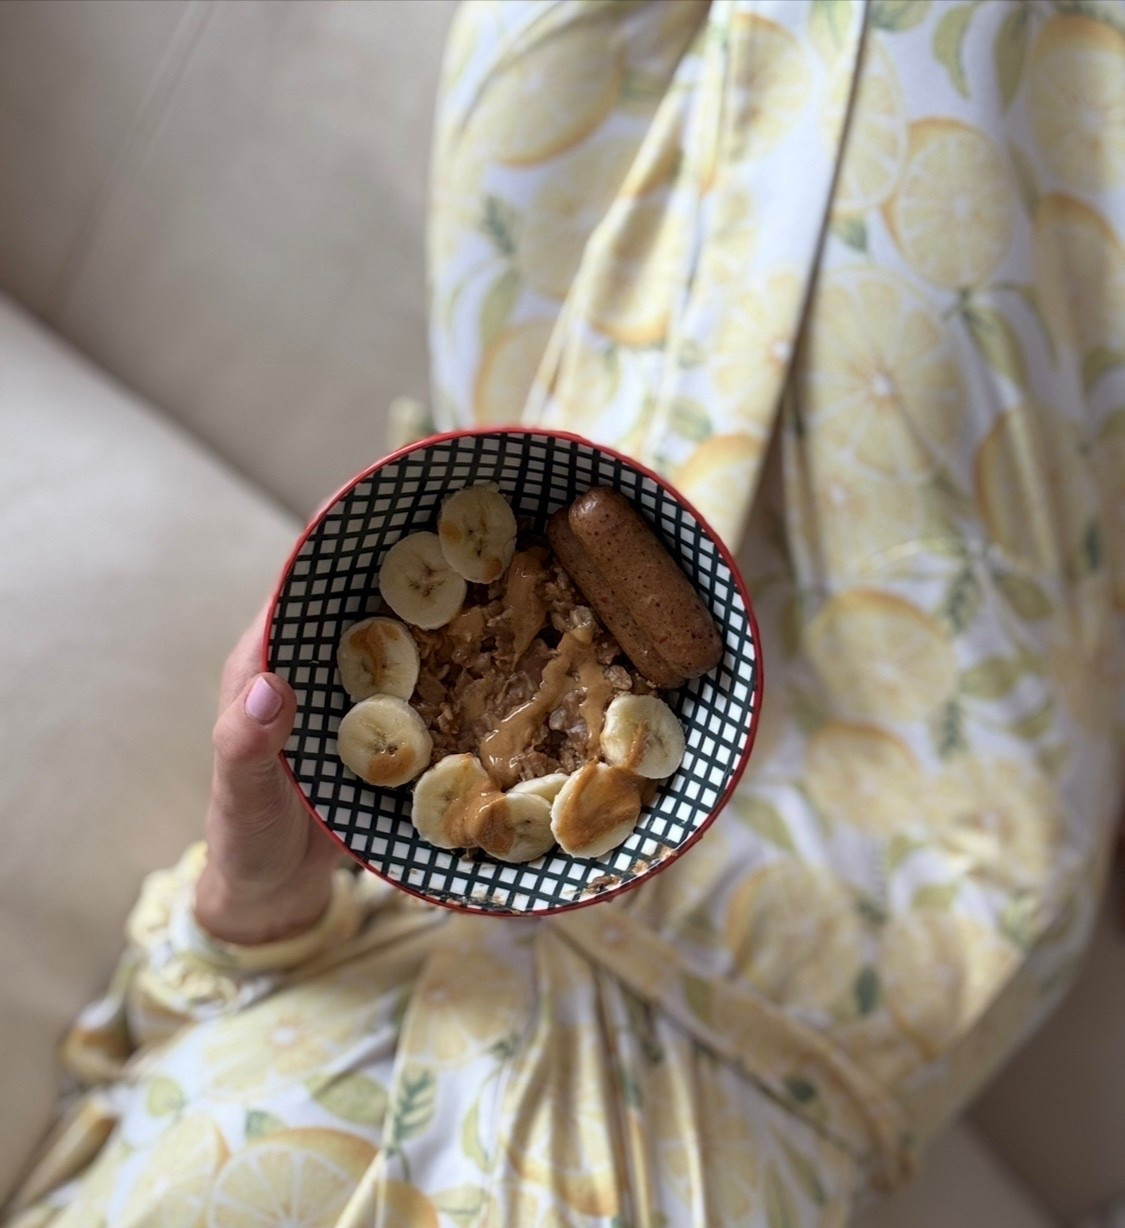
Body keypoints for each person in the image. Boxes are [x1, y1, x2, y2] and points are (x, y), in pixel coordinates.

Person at [5, 0, 1123, 1224]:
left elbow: (125, 1053)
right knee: (942, 53)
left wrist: (248, 903)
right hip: (852, 890)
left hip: (534, 547)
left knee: (539, 34)